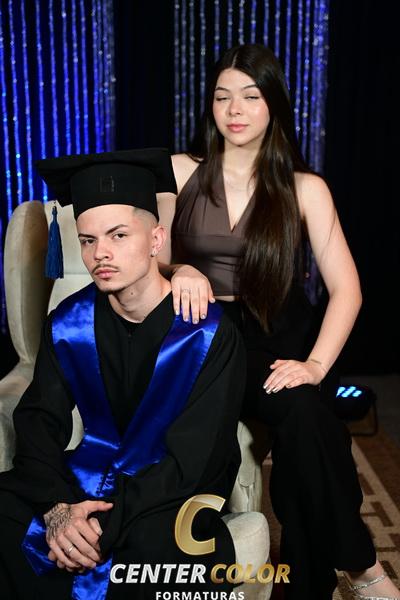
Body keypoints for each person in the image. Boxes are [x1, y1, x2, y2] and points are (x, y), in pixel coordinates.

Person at [156, 44, 400, 600]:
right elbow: (152, 259)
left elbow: (347, 289)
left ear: (273, 105)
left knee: (308, 419)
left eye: (250, 96)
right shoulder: (178, 171)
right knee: (310, 422)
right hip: (206, 335)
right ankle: (363, 570)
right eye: (222, 96)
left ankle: (332, 579)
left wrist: (315, 365)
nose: (234, 109)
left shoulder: (305, 187)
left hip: (280, 333)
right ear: (209, 105)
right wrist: (179, 269)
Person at [0, 148, 246, 600]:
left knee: (154, 550)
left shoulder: (208, 333)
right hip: (89, 475)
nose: (100, 254)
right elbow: (38, 421)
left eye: (118, 235)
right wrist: (59, 509)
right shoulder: (68, 324)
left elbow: (197, 458)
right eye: (88, 240)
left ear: (155, 239)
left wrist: (101, 523)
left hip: (169, 491)